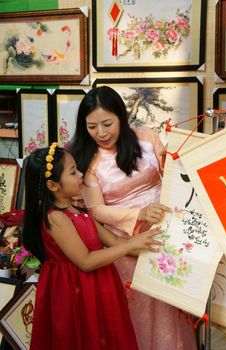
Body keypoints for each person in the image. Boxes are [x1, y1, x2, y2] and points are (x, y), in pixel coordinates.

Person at [69, 86, 198, 350]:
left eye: (107, 124)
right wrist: (137, 214)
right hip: (125, 241)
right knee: (138, 309)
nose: (101, 133)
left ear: (121, 117)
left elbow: (171, 170)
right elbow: (97, 210)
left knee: (171, 303)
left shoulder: (146, 137)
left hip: (165, 229)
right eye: (92, 127)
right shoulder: (88, 160)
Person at [22, 142, 164, 350]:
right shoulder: (56, 219)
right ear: (53, 185)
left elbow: (115, 242)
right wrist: (131, 244)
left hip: (96, 287)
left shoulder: (79, 212)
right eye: (73, 172)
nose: (81, 174)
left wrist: (154, 243)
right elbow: (86, 261)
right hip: (75, 291)